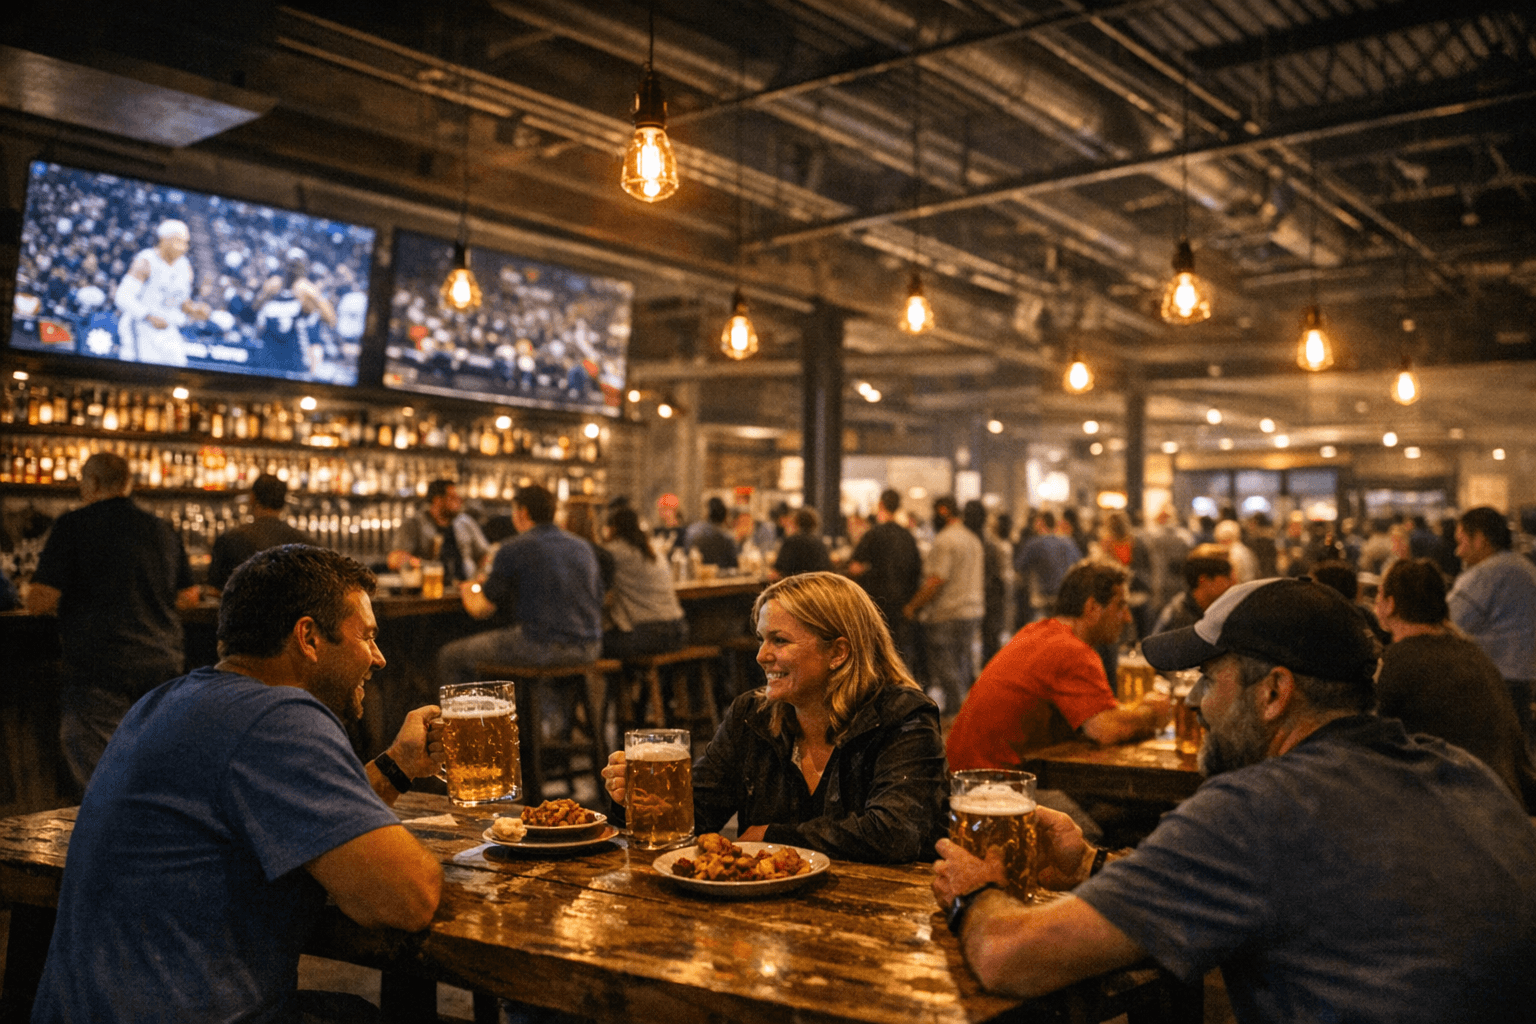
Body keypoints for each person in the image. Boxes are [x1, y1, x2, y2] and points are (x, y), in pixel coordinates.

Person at [933, 577, 1536, 1024]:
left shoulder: (1258, 808)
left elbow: (1009, 957)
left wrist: (975, 893)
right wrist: (1089, 864)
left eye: (1207, 678)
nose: (1194, 702)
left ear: (1274, 691)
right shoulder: (1461, 771)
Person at [31, 544, 444, 1022]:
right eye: (367, 637)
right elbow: (408, 898)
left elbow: (310, 825)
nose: (379, 658)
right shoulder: (278, 717)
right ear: (308, 637)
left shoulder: (166, 701)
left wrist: (397, 764)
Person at [600, 572, 947, 863]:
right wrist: (636, 801)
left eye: (779, 640)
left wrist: (771, 837)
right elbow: (694, 818)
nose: (762, 656)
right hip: (768, 929)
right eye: (762, 639)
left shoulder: (903, 717)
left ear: (838, 652)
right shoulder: (751, 717)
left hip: (879, 920)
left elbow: (896, 832)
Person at [24, 452, 201, 793]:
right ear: (128, 483)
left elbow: (38, 600)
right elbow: (189, 596)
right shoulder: (161, 527)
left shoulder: (73, 524)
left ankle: (116, 841)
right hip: (162, 662)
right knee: (153, 765)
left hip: (101, 664)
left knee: (103, 773)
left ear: (90, 483)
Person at [945, 563, 1172, 770]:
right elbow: (1106, 729)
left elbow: (1096, 716)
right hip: (992, 787)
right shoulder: (1072, 650)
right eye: (1120, 605)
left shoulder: (1037, 631)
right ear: (1092, 607)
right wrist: (1152, 712)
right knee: (1114, 813)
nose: (1127, 618)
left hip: (962, 773)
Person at [438, 484, 603, 740]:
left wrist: (467, 588)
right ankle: (546, 733)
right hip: (590, 647)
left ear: (522, 512)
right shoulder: (582, 547)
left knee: (451, 656)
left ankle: (474, 744)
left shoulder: (514, 547)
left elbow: (481, 608)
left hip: (542, 645)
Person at [1375, 558, 1536, 811]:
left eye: (1379, 594)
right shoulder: (1474, 654)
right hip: (1508, 800)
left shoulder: (1400, 660)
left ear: (1390, 604)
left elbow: (1372, 737)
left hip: (1456, 805)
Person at [1448, 505, 1536, 745]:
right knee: (1520, 752)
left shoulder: (1484, 575)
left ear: (1479, 540)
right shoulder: (1525, 568)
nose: (1458, 551)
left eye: (1461, 541)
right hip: (1524, 678)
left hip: (1493, 681)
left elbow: (1447, 622)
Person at [903, 495, 985, 716]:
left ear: (942, 511)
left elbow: (936, 580)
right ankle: (967, 712)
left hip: (948, 612)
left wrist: (912, 605)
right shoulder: (972, 539)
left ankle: (956, 714)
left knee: (945, 664)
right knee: (963, 663)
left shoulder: (945, 540)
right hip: (972, 611)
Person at [113, 218, 209, 367]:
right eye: (179, 242)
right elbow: (122, 297)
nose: (183, 247)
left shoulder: (185, 266)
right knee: (142, 378)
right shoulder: (146, 261)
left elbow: (181, 302)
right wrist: (149, 316)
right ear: (164, 240)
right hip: (140, 326)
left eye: (185, 243)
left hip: (168, 328)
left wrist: (195, 310)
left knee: (178, 372)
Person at [846, 488, 922, 668]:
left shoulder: (874, 534)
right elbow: (916, 571)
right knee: (898, 655)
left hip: (876, 604)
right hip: (902, 604)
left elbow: (854, 568)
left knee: (876, 656)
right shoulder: (908, 537)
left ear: (880, 505)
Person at [600, 506, 688, 659]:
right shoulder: (654, 552)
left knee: (597, 643)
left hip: (648, 635)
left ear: (613, 529)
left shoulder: (613, 552)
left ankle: (630, 681)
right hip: (679, 631)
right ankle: (640, 680)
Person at [207, 473, 310, 590]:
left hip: (244, 607)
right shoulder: (306, 543)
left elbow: (215, 589)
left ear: (252, 498)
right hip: (294, 608)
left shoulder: (229, 539)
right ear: (283, 501)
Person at [388, 478, 490, 586]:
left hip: (465, 589)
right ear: (438, 500)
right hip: (429, 589)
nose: (459, 501)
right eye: (453, 498)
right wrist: (421, 565)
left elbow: (485, 554)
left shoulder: (466, 523)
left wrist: (481, 574)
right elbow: (395, 559)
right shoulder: (413, 524)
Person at [1014, 511, 1082, 623]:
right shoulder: (1069, 542)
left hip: (1042, 598)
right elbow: (1080, 563)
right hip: (1065, 597)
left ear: (1041, 522)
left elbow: (1020, 567)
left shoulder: (1034, 543)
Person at [1148, 545, 1232, 635]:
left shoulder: (1214, 609)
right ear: (1204, 580)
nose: (1232, 583)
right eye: (1227, 577)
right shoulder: (1179, 618)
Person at [771, 506, 831, 579]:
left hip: (795, 588)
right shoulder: (821, 544)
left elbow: (776, 573)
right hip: (817, 587)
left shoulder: (791, 542)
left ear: (797, 522)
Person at [684, 496, 738, 570]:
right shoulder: (727, 538)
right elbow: (734, 565)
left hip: (697, 577)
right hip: (721, 579)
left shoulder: (692, 531)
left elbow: (686, 554)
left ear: (707, 512)